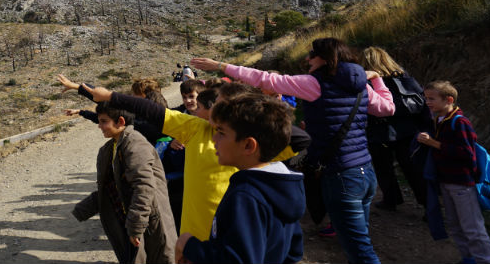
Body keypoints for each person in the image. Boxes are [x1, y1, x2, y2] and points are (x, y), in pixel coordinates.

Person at [192, 37, 394, 264]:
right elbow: (388, 108)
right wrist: (377, 79)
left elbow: (266, 78)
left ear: (327, 58)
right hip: (365, 170)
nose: (307, 58)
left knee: (361, 251)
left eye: (312, 54)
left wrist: (221, 66)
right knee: (359, 240)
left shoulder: (315, 83)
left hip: (341, 174)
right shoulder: (360, 85)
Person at [60, 75, 309, 242]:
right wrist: (110, 97)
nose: (215, 112)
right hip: (193, 238)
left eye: (223, 107)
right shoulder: (195, 128)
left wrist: (253, 113)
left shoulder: (248, 143)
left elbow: (300, 139)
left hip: (233, 232)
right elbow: (152, 111)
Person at [176, 94, 305, 264]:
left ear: (248, 145)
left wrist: (189, 245)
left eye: (221, 133)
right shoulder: (280, 185)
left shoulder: (246, 196)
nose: (214, 139)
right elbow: (294, 252)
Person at [72, 102, 177, 264]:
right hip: (136, 218)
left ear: (120, 121)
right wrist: (84, 208)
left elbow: (144, 188)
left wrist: (135, 226)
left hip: (150, 219)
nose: (99, 126)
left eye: (103, 121)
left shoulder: (135, 144)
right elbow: (112, 185)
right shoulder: (113, 146)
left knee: (159, 257)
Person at [417, 81, 490, 264]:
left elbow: (466, 153)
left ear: (449, 99)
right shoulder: (440, 120)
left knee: (472, 227)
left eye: (432, 99)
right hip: (446, 181)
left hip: (462, 184)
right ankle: (468, 258)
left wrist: (433, 143)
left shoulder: (460, 123)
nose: (427, 102)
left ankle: (485, 260)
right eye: (426, 98)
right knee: (455, 224)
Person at [359, 46, 428, 210]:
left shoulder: (369, 81)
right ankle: (427, 204)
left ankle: (391, 199)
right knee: (412, 169)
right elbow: (422, 103)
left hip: (377, 130)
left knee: (383, 168)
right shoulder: (404, 77)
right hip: (406, 129)